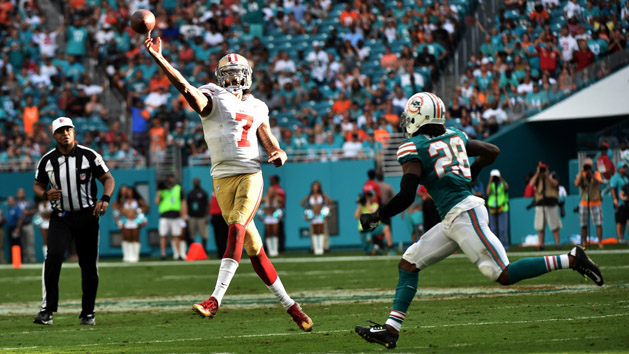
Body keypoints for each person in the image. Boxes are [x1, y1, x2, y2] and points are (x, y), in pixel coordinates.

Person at [354, 92, 604, 349]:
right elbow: (492, 150)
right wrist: (469, 172)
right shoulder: (456, 136)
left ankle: (572, 259)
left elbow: (407, 196)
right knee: (409, 262)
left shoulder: (414, 146)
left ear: (420, 116)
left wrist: (376, 216)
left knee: (502, 274)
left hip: (464, 214)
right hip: (454, 217)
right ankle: (391, 330)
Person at [144, 36, 312, 331]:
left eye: (238, 73)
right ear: (219, 78)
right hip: (221, 179)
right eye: (228, 73)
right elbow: (184, 87)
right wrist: (159, 57)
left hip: (250, 174)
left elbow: (269, 139)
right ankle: (292, 306)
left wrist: (278, 151)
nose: (233, 77)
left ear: (247, 76)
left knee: (235, 225)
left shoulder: (259, 106)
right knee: (254, 247)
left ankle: (215, 299)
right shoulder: (212, 96)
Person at [32, 117, 115, 326]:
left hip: (87, 215)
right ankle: (47, 310)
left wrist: (105, 199)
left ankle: (88, 312)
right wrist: (44, 195)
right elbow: (37, 184)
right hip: (61, 217)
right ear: (54, 135)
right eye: (60, 131)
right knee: (53, 258)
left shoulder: (89, 155)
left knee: (88, 265)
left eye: (68, 129)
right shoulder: (47, 160)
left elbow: (108, 178)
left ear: (74, 132)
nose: (65, 133)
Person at [529, 161, 562, 249]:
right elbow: (531, 184)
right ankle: (541, 244)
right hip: (540, 203)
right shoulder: (538, 177)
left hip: (551, 203)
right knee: (540, 226)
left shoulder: (553, 174)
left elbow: (556, 183)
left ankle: (557, 244)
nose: (542, 170)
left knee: (555, 225)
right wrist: (537, 173)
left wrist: (547, 176)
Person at [155, 174, 187, 261]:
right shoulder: (162, 190)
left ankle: (178, 254)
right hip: (164, 215)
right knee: (163, 235)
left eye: (172, 177)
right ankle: (163, 254)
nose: (171, 179)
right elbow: (157, 202)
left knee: (176, 235)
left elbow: (183, 202)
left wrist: (184, 214)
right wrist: (159, 191)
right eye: (170, 178)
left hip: (176, 215)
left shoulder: (178, 189)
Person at [113, 185, 149, 262]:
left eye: (130, 191)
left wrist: (137, 211)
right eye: (127, 191)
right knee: (126, 237)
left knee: (135, 237)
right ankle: (127, 256)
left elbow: (146, 207)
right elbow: (115, 208)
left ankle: (135, 256)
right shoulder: (122, 201)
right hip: (125, 221)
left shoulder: (137, 201)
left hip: (135, 221)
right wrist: (124, 211)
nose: (128, 193)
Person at [575, 158, 604, 248]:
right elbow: (576, 184)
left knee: (598, 223)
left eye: (589, 166)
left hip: (595, 202)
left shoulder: (596, 173)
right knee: (584, 224)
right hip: (584, 202)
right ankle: (585, 242)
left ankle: (599, 242)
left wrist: (591, 174)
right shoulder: (581, 175)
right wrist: (581, 172)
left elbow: (599, 182)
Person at [301, 181, 333, 255]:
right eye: (314, 186)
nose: (316, 188)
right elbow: (302, 203)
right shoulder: (310, 196)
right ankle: (316, 248)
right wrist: (308, 209)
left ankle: (321, 248)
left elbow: (330, 201)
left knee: (321, 231)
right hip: (313, 216)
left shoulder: (321, 195)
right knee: (315, 231)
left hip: (320, 215)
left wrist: (326, 208)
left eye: (317, 186)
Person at [486, 169, 509, 250]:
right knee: (493, 229)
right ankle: (495, 246)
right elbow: (488, 192)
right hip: (492, 208)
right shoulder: (491, 185)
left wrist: (501, 179)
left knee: (502, 228)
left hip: (502, 207)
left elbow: (506, 188)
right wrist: (490, 181)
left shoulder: (502, 184)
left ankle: (504, 246)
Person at [259, 187, 283, 257]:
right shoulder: (264, 199)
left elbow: (281, 201)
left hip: (275, 217)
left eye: (272, 191)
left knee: (275, 232)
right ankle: (270, 250)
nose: (271, 193)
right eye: (270, 191)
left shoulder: (277, 199)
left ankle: (275, 250)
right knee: (268, 233)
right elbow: (259, 203)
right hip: (267, 218)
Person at [187, 178, 210, 250]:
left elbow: (207, 205)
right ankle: (192, 251)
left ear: (199, 182)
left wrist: (207, 216)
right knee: (191, 235)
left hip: (201, 217)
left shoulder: (203, 193)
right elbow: (187, 205)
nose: (196, 183)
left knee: (204, 235)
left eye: (197, 182)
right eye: (195, 182)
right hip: (192, 217)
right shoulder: (190, 193)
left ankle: (204, 251)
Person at [376, 170, 395, 254]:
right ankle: (389, 246)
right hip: (386, 208)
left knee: (378, 227)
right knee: (387, 227)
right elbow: (393, 197)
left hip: (377, 208)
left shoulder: (375, 186)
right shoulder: (388, 186)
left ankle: (380, 246)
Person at [16, 188, 37, 263]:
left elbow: (35, 209)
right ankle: (24, 259)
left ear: (24, 194)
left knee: (30, 242)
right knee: (22, 243)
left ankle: (32, 259)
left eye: (22, 193)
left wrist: (28, 212)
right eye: (19, 193)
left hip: (28, 224)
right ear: (17, 194)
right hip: (20, 226)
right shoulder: (16, 203)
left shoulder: (30, 202)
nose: (21, 194)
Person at [610, 162, 629, 243]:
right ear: (619, 169)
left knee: (624, 221)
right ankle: (619, 237)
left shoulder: (625, 178)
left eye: (625, 168)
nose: (625, 169)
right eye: (623, 168)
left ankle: (622, 237)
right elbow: (612, 189)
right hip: (619, 202)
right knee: (619, 220)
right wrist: (615, 199)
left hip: (626, 204)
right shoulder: (615, 178)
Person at [269, 175, 287, 252]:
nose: (270, 181)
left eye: (272, 180)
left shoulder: (273, 190)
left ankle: (270, 248)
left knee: (271, 230)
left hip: (275, 210)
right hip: (280, 210)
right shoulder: (281, 189)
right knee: (280, 229)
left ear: (275, 181)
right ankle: (280, 247)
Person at [209, 192, 228, 258]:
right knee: (219, 235)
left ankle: (223, 252)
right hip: (216, 216)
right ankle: (221, 252)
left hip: (221, 215)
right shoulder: (215, 192)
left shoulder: (222, 190)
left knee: (222, 235)